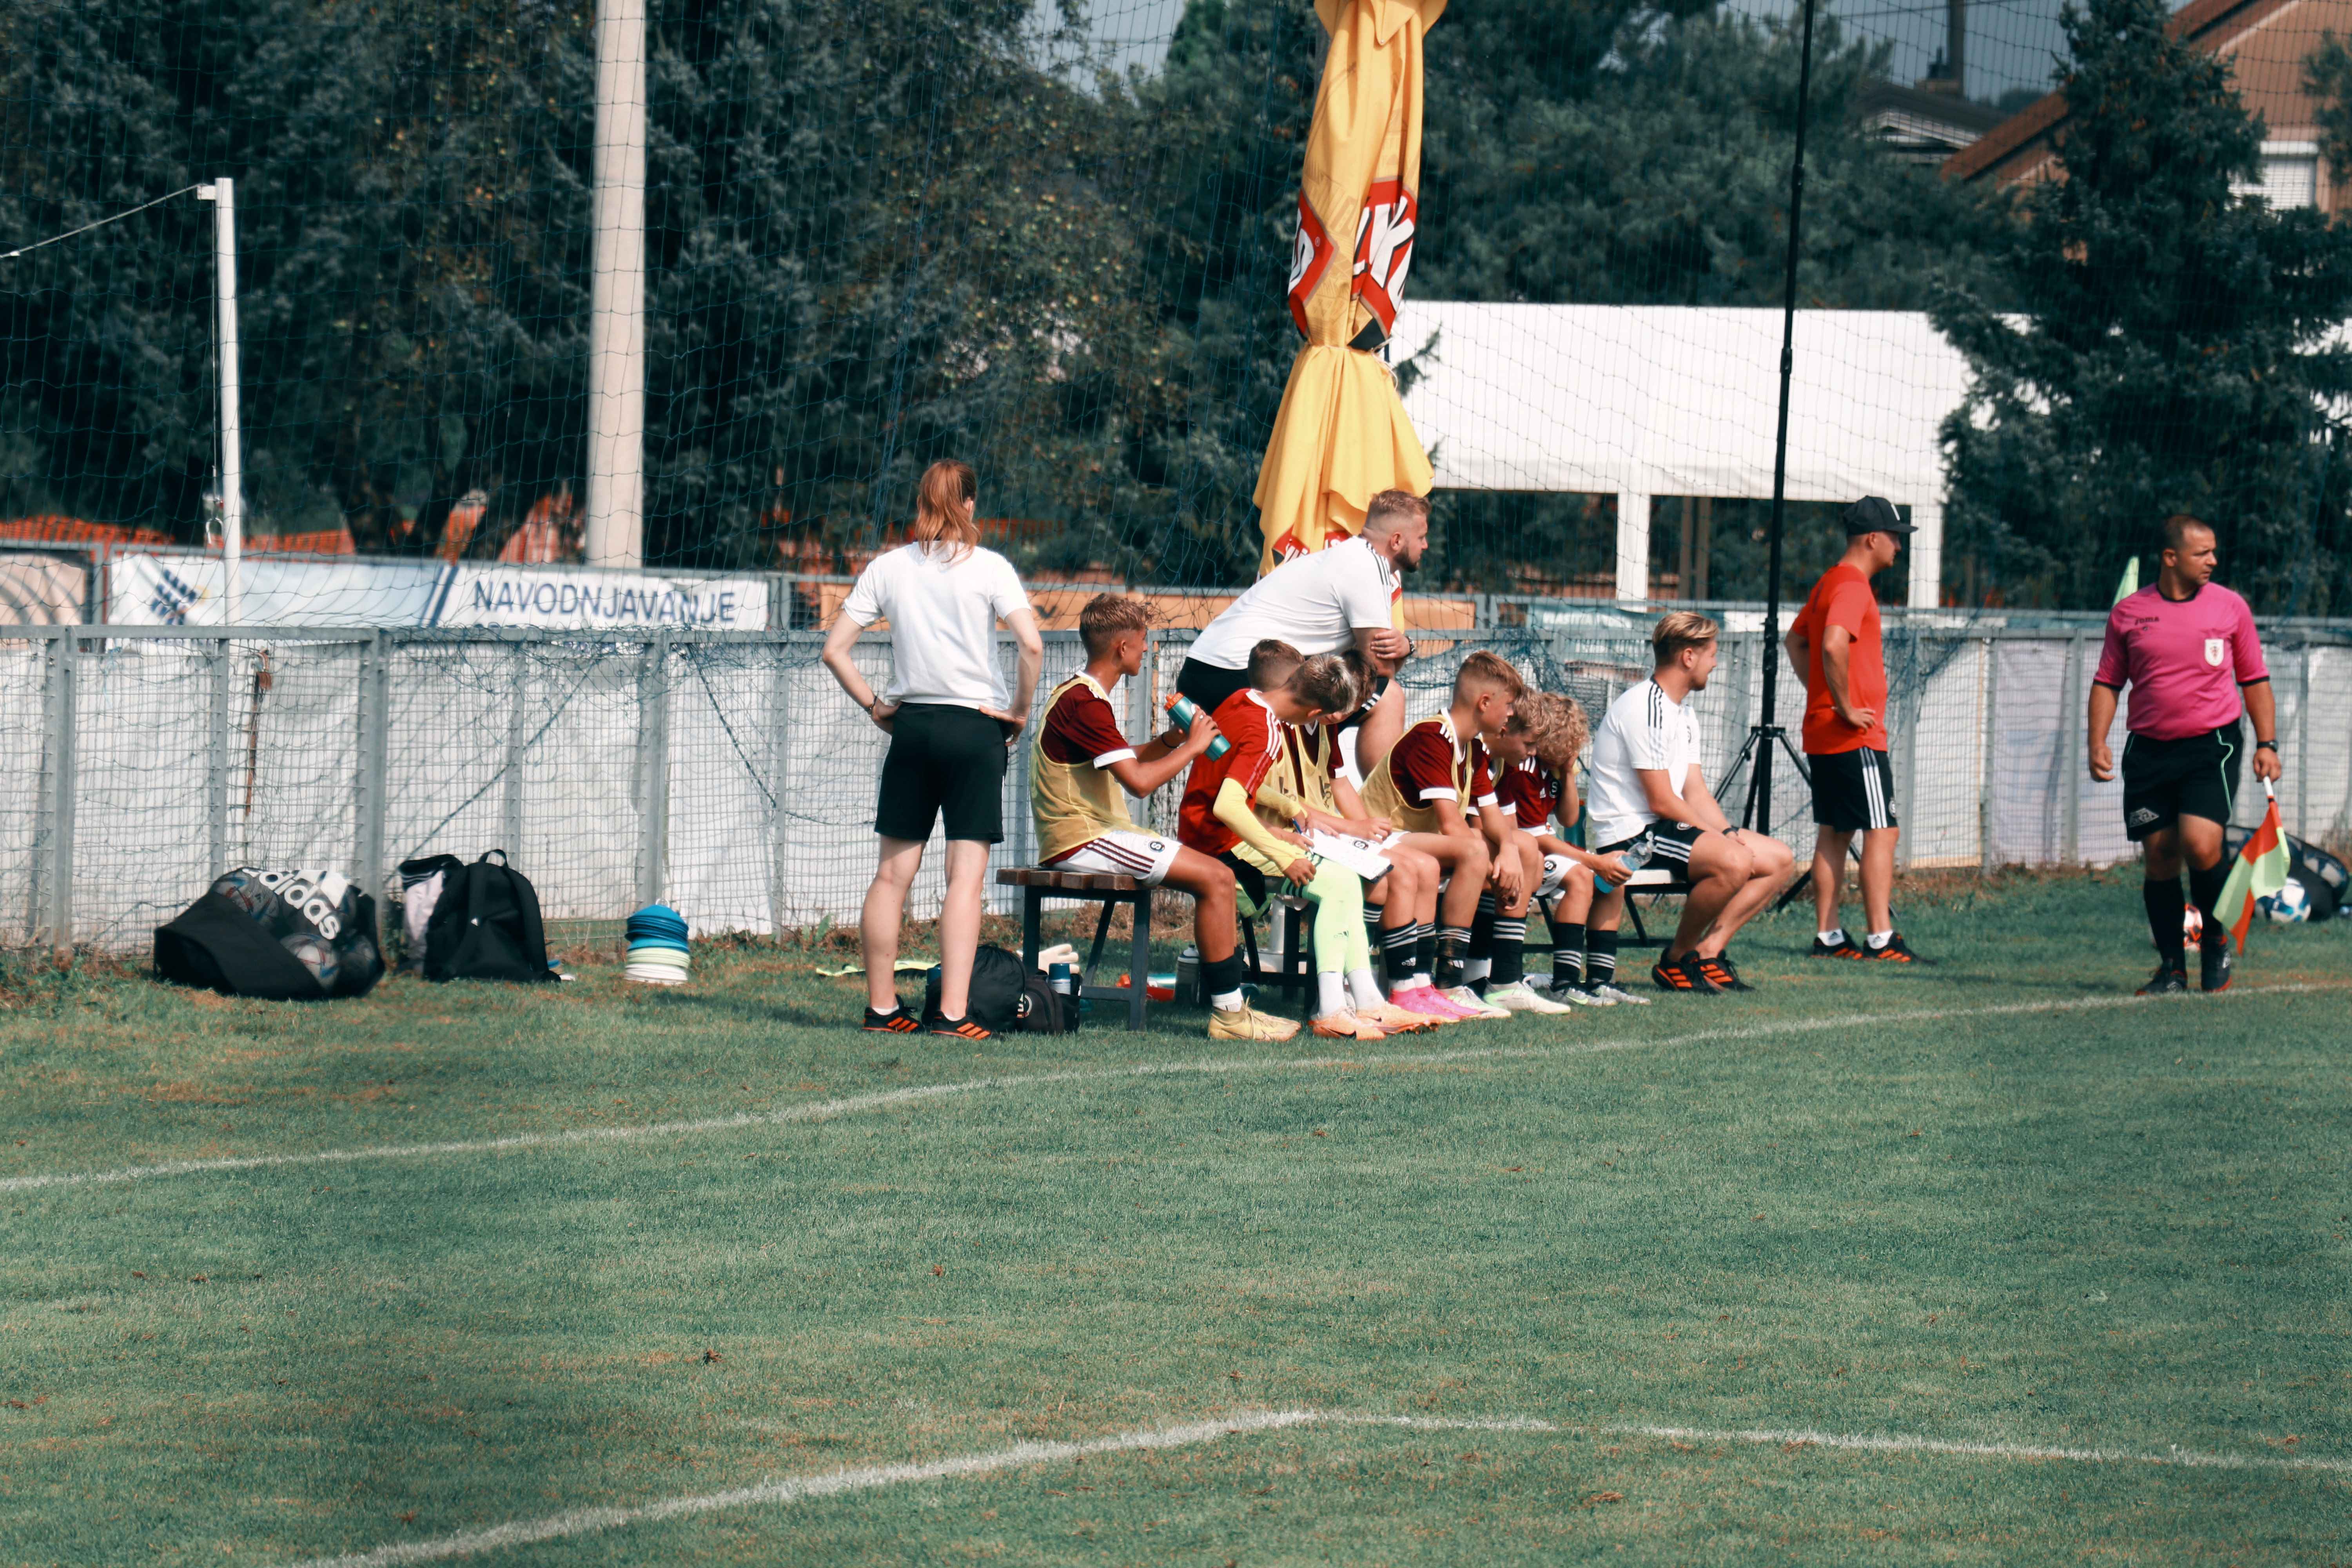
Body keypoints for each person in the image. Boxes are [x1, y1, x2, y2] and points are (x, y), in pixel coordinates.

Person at [821, 458, 1042, 1040]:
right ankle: (951, 1014)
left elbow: (835, 649)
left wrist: (875, 705)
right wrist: (1017, 712)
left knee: (892, 876)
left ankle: (882, 1009)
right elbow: (1032, 645)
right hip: (975, 731)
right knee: (963, 879)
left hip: (913, 729)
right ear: (969, 504)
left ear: (922, 501)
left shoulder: (889, 567)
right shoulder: (991, 567)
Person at [1030, 593, 1257, 1040]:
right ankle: (1230, 1015)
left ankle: (1233, 1007)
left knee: (1218, 878)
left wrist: (1173, 739)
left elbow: (1123, 759)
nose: (1146, 649)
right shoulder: (1086, 703)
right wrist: (1194, 747)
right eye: (1143, 641)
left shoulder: (1080, 695)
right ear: (1122, 647)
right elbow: (1138, 782)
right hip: (1083, 838)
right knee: (1216, 879)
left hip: (1090, 835)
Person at [2087, 514, 2281, 995]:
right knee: (2160, 858)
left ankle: (2215, 940)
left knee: (2200, 843)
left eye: (2215, 551)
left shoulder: (2231, 608)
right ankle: (2172, 967)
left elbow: (2254, 679)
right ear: (2171, 558)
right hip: (2148, 752)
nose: (2214, 560)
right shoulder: (2129, 613)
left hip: (2210, 746)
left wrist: (2267, 743)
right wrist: (2098, 740)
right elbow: (2108, 682)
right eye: (2202, 553)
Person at [1585, 611, 1795, 995]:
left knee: (1778, 858)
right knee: (1735, 860)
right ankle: (1676, 959)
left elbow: (1694, 791)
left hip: (1662, 829)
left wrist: (1729, 832)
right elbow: (1662, 800)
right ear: (1688, 656)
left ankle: (1710, 951)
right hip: (1634, 837)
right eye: (1711, 654)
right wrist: (1725, 843)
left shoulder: (1683, 712)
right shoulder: (1645, 706)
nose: (1715, 663)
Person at [1174, 653, 1381, 1041]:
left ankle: (1367, 1001)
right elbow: (1228, 805)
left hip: (1203, 829)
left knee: (1345, 879)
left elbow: (1228, 774)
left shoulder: (1241, 698)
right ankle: (1333, 1008)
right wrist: (1284, 855)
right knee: (1337, 884)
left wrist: (1290, 808)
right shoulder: (1268, 733)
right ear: (1316, 711)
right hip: (1217, 842)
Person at [1176, 489, 1426, 775]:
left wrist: (1403, 648)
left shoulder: (1348, 556)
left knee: (1325, 707)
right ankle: (1384, 807)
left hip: (1202, 672)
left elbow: (1374, 664)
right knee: (1387, 697)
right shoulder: (1368, 567)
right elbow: (1380, 669)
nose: (1426, 545)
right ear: (1397, 541)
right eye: (1421, 537)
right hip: (1236, 675)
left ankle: (1324, 808)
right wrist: (1406, 648)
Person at [1784, 496, 1929, 963]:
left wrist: (1821, 694)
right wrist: (1845, 704)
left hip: (1823, 731)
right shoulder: (1853, 586)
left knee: (1835, 832)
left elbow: (1796, 640)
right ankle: (1881, 938)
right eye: (1895, 538)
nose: (1898, 549)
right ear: (1872, 539)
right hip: (1853, 736)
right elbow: (1829, 643)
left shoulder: (1829, 581)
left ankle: (1829, 936)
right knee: (1882, 830)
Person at [1359, 650, 1530, 1020]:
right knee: (1473, 852)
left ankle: (1490, 979)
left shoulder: (1473, 749)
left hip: (1411, 843)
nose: (1511, 714)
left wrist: (1511, 852)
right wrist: (1495, 864)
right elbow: (1454, 827)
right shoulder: (1432, 737)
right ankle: (1450, 981)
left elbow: (1493, 818)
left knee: (1519, 847)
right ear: (1485, 702)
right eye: (1510, 705)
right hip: (1373, 838)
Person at [1488, 690, 1650, 1007]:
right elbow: (1539, 837)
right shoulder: (1525, 767)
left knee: (1610, 882)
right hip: (1525, 850)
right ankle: (1565, 980)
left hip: (1542, 846)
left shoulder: (1555, 769)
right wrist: (1594, 861)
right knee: (1582, 876)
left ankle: (1600, 980)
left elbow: (1569, 817)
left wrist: (1568, 775)